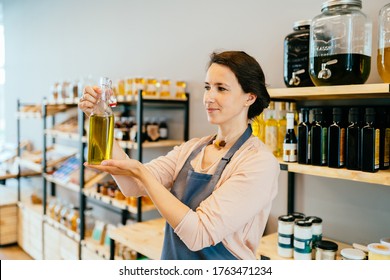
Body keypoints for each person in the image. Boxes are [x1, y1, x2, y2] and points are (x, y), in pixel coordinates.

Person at [78, 50, 280, 260]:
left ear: (250, 97)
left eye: (221, 88)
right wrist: (101, 115)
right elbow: (131, 186)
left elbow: (199, 234)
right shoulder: (192, 149)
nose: (209, 97)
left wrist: (141, 172)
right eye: (207, 87)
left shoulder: (259, 163)